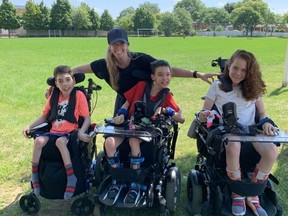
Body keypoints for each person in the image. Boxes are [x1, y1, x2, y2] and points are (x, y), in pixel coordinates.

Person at [46, 27, 219, 115]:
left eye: (121, 43)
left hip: (147, 101)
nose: (118, 47)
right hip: (124, 102)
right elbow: (72, 71)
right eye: (114, 44)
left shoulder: (141, 60)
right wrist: (56, 84)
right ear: (110, 45)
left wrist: (197, 74)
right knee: (118, 135)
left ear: (128, 44)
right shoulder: (104, 65)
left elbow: (168, 71)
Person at [198, 50, 278, 216]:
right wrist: (205, 115)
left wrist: (266, 123)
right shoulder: (217, 86)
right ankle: (238, 192)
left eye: (243, 70)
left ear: (249, 73)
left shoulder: (253, 88)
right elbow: (204, 111)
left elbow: (262, 114)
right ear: (229, 66)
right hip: (228, 131)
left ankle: (253, 193)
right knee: (233, 145)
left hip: (250, 131)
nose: (238, 73)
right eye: (235, 68)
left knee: (272, 151)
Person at [103, 59, 185, 207]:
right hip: (129, 125)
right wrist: (121, 114)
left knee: (133, 141)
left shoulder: (166, 96)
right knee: (109, 142)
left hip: (147, 130)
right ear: (153, 77)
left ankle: (136, 183)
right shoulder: (141, 86)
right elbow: (127, 103)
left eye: (168, 75)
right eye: (160, 75)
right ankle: (117, 180)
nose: (165, 78)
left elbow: (181, 118)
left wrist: (168, 110)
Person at [23, 65, 91, 200]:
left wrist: (81, 132)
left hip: (69, 133)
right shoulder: (54, 96)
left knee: (60, 142)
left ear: (74, 80)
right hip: (53, 132)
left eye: (67, 80)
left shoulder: (78, 96)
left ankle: (71, 177)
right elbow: (44, 116)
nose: (65, 84)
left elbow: (87, 118)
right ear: (56, 83)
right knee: (38, 141)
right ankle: (35, 176)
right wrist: (30, 126)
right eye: (60, 81)